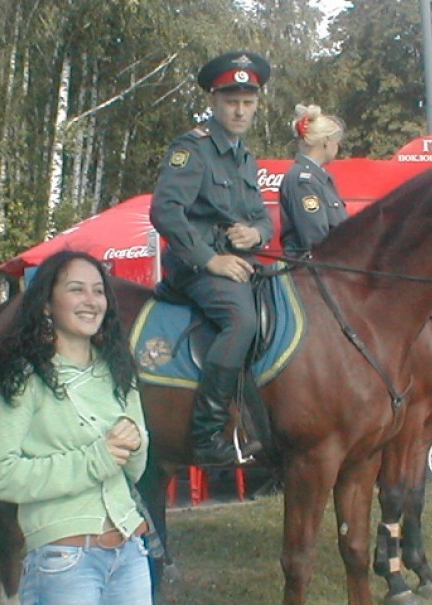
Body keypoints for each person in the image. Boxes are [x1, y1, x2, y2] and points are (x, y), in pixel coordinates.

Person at [0, 250, 152, 605]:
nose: (91, 301)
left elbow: (134, 471)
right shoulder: (27, 380)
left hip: (131, 551)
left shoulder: (119, 373)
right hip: (65, 560)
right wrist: (95, 460)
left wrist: (135, 443)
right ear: (47, 305)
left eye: (98, 290)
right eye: (76, 290)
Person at [150, 51, 273, 467]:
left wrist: (256, 234)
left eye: (248, 102)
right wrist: (210, 261)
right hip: (195, 268)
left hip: (239, 263)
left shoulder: (245, 158)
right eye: (231, 101)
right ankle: (207, 434)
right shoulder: (192, 149)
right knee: (242, 320)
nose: (240, 110)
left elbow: (261, 217)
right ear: (214, 102)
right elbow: (166, 211)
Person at [279, 104, 348, 256]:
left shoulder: (320, 178)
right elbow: (315, 239)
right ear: (326, 142)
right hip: (312, 272)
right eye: (336, 142)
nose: (337, 148)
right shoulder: (303, 181)